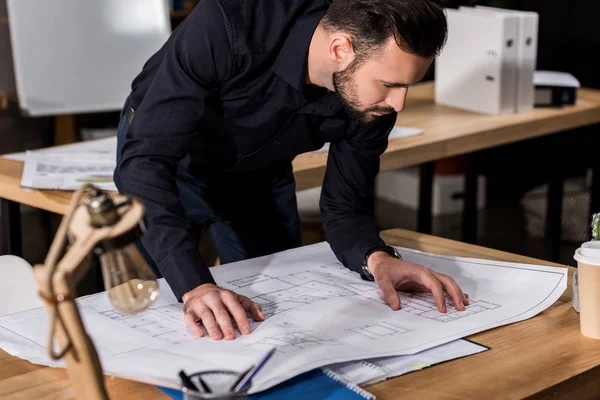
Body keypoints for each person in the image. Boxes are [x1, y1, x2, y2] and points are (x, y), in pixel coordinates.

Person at [115, 0, 469, 341]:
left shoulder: (374, 104)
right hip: (168, 165)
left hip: (260, 171)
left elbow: (346, 206)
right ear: (340, 48)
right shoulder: (228, 22)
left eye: (408, 85)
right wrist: (195, 286)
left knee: (277, 309)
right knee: (158, 311)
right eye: (391, 84)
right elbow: (146, 163)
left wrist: (376, 258)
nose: (399, 103)